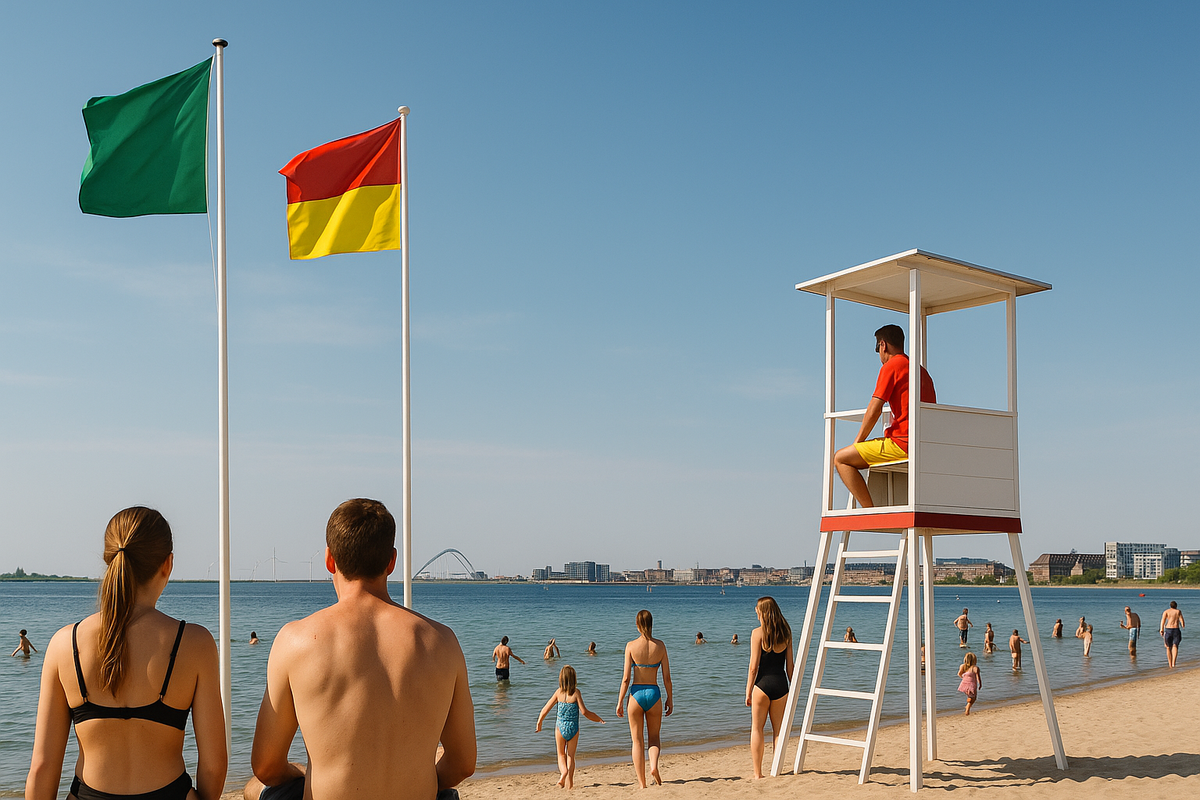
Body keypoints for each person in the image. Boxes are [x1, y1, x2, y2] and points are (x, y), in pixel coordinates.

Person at [244, 499, 475, 800]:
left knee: (254, 788)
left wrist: (305, 774)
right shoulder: (443, 642)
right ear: (391, 562)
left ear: (329, 560)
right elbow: (463, 763)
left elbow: (266, 766)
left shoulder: (295, 640)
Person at [26, 507, 227, 800]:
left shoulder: (64, 644)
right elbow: (214, 765)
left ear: (110, 560)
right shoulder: (195, 643)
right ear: (167, 564)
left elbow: (43, 768)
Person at [832, 324, 936, 508]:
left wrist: (859, 441)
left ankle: (869, 511)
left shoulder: (892, 366)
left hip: (903, 444)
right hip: (925, 444)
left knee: (841, 458)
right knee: (867, 447)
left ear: (883, 345)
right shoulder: (920, 371)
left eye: (877, 348)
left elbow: (875, 408)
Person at [616, 609, 672, 788]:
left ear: (637, 625)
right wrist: (670, 698)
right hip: (654, 693)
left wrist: (619, 702)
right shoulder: (661, 646)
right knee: (654, 738)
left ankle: (642, 783)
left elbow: (625, 678)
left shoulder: (631, 646)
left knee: (637, 741)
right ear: (651, 624)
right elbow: (667, 677)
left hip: (636, 694)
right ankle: (654, 766)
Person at [745, 597, 794, 780]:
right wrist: (793, 687)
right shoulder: (786, 633)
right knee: (778, 730)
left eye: (757, 609)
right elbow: (790, 667)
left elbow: (753, 667)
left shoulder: (757, 633)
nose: (756, 612)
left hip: (762, 685)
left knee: (757, 729)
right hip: (781, 684)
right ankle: (777, 769)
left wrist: (748, 690)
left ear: (763, 612)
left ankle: (758, 773)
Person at [535, 665, 604, 789]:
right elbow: (584, 712)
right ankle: (570, 784)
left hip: (560, 727)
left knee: (561, 755)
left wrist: (539, 722)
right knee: (571, 756)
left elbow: (546, 708)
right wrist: (597, 718)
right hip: (573, 727)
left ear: (561, 678)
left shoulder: (558, 692)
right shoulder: (576, 693)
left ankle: (563, 773)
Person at [1160, 601, 1185, 668]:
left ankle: (1170, 664)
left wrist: (1161, 629)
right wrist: (1183, 625)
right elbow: (1182, 621)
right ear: (1176, 606)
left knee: (1168, 647)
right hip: (1176, 629)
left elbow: (1163, 621)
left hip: (1168, 629)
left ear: (1170, 606)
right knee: (1175, 646)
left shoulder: (1166, 612)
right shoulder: (1178, 611)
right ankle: (1174, 663)